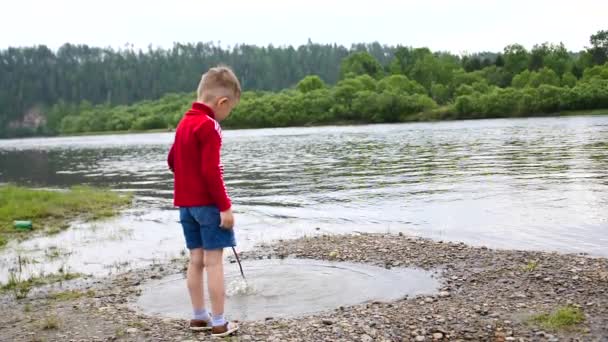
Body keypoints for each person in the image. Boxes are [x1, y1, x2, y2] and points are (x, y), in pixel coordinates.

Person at [168, 65, 240, 337]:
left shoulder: (184, 123)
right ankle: (220, 322)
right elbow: (211, 171)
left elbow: (172, 161)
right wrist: (224, 206)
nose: (226, 115)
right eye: (229, 109)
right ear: (222, 102)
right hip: (208, 207)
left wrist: (187, 180)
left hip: (185, 206)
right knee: (214, 262)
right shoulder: (209, 126)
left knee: (195, 260)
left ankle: (199, 316)